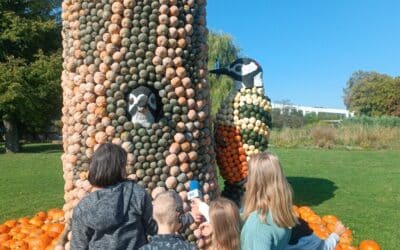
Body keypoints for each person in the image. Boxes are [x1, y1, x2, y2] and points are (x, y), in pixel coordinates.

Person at [71, 143, 157, 249]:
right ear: (120, 168)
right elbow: (154, 229)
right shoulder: (138, 194)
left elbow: (78, 246)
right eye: (124, 165)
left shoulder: (84, 206)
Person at [241, 152, 298, 250]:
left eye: (249, 176)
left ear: (256, 184)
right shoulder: (282, 214)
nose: (246, 183)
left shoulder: (258, 224)